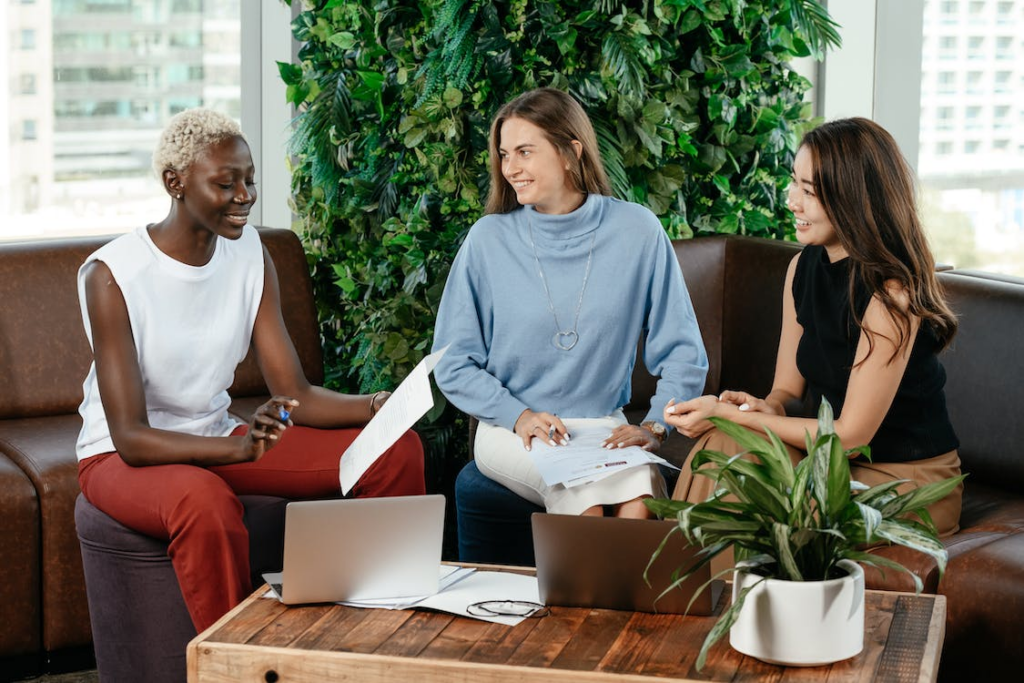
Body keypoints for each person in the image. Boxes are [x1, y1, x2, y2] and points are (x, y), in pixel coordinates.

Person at [75, 107, 425, 633]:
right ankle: (237, 660)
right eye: (226, 183)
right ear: (175, 183)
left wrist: (379, 407)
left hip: (217, 436)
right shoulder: (112, 274)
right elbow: (130, 437)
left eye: (250, 180)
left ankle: (381, 631)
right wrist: (238, 448)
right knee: (205, 502)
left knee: (393, 450)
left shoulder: (249, 253)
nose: (245, 196)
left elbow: (294, 392)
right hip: (122, 458)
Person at [665, 117, 963, 536]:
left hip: (903, 480)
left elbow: (850, 437)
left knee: (749, 472)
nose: (791, 202)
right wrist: (756, 408)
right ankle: (685, 595)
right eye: (794, 184)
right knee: (723, 447)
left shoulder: (890, 294)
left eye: (809, 192)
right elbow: (787, 392)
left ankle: (715, 596)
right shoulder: (801, 269)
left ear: (853, 199)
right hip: (833, 463)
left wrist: (734, 418)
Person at [432, 88, 708, 518]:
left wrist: (655, 426)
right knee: (588, 503)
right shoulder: (488, 240)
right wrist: (517, 414)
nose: (510, 168)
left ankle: (608, 589)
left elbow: (683, 352)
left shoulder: (638, 231)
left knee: (640, 500)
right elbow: (452, 361)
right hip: (513, 430)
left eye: (524, 151)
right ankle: (589, 587)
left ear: (570, 152)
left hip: (602, 423)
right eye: (505, 154)